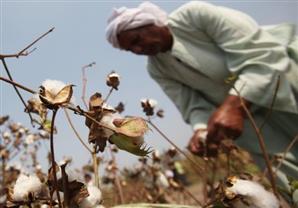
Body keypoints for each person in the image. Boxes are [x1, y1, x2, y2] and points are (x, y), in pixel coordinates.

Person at [106, 1, 298, 188]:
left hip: (284, 81)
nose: (138, 50)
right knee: (288, 178)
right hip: (253, 124)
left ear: (149, 23)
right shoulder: (157, 68)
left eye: (136, 40)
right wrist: (201, 130)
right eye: (130, 49)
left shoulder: (195, 16)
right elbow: (191, 105)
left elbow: (261, 55)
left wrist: (234, 107)